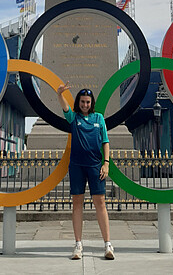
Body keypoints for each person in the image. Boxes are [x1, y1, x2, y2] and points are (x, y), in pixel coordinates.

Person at [57, 83, 114, 260]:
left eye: (88, 102)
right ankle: (78, 245)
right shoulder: (73, 118)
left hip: (95, 165)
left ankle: (107, 245)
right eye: (82, 101)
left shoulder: (99, 118)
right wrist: (60, 94)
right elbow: (65, 107)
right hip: (77, 166)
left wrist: (106, 163)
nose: (85, 105)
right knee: (77, 203)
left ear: (92, 102)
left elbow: (105, 141)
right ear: (78, 102)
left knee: (100, 203)